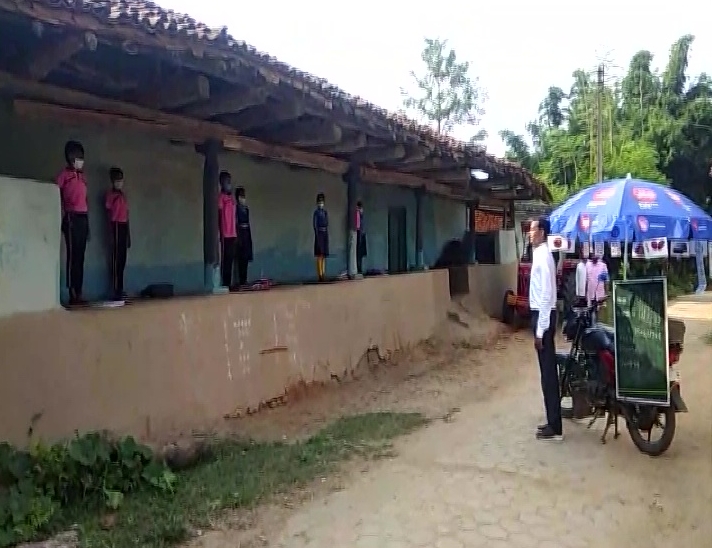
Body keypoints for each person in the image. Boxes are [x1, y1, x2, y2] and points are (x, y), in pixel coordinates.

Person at [528, 217, 562, 441]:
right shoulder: (538, 255)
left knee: (549, 373)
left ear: (541, 232)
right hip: (540, 315)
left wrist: (540, 331)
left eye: (532, 230)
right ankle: (552, 421)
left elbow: (547, 295)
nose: (529, 234)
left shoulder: (544, 257)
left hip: (544, 316)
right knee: (545, 373)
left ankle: (555, 425)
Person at [57, 140, 90, 306]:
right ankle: (71, 294)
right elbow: (56, 195)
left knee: (81, 257)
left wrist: (88, 224)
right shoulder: (64, 175)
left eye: (82, 158)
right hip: (71, 217)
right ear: (70, 158)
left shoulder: (83, 177)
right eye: (78, 157)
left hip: (83, 218)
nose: (81, 160)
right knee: (72, 257)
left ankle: (79, 292)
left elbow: (86, 201)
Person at [104, 167, 130, 300]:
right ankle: (115, 290)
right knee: (116, 260)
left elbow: (127, 215)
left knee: (122, 260)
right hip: (115, 226)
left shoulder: (123, 196)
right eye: (117, 180)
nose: (120, 183)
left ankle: (121, 288)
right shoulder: (110, 195)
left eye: (121, 180)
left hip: (124, 227)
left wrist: (128, 236)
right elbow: (108, 213)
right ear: (112, 181)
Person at [217, 171, 237, 288]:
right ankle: (225, 283)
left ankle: (230, 283)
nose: (229, 184)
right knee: (225, 259)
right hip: (225, 233)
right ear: (221, 183)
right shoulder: (221, 198)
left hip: (233, 232)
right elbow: (219, 215)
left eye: (230, 181)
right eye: (226, 182)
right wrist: (220, 232)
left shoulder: (232, 198)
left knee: (231, 258)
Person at [234, 186, 253, 287]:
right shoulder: (236, 208)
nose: (243, 198)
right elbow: (236, 222)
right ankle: (240, 280)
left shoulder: (246, 209)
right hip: (240, 232)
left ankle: (245, 279)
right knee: (240, 258)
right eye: (241, 195)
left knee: (246, 257)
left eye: (244, 195)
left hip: (246, 232)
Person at [585, 252, 608, 324]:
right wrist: (585, 294)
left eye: (595, 254)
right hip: (590, 294)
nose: (594, 256)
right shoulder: (588, 265)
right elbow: (586, 280)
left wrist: (606, 294)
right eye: (592, 254)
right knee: (590, 313)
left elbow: (606, 281)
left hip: (600, 295)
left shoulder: (603, 266)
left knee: (600, 314)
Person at [313, 192, 329, 281]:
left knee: (324, 255)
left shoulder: (325, 212)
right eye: (319, 202)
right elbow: (315, 225)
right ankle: (320, 275)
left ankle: (323, 273)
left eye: (322, 202)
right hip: (319, 234)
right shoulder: (316, 212)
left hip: (324, 233)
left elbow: (327, 223)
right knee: (319, 255)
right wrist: (317, 235)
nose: (321, 203)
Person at [355, 201, 367, 275]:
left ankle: (360, 268)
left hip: (362, 235)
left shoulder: (362, 216)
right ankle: (358, 268)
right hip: (359, 235)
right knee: (358, 254)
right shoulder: (357, 215)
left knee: (361, 254)